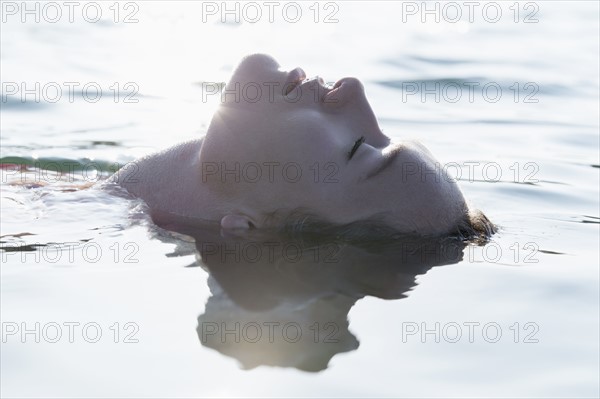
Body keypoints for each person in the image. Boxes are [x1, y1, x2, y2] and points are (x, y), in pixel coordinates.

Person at [109, 54, 494, 240]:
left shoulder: (60, 228)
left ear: (249, 223)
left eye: (358, 147)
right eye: (386, 132)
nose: (354, 89)